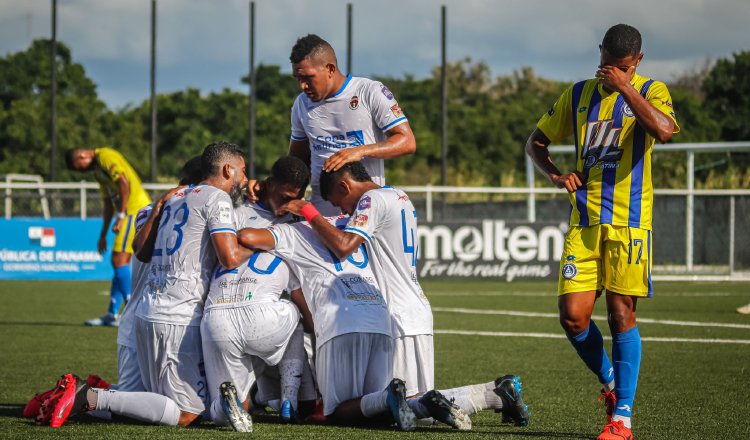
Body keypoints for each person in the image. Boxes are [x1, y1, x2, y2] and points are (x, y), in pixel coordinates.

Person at [281, 161, 529, 427]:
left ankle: (494, 395)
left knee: (402, 409)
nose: (342, 210)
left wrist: (307, 210)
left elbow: (344, 246)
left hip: (396, 314)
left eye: (338, 202)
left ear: (345, 185)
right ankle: (496, 394)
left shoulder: (370, 200)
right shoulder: (399, 195)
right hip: (416, 308)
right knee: (418, 406)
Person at [524, 24, 679, 440]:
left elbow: (664, 131)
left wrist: (626, 89)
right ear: (599, 54)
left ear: (638, 63)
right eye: (608, 65)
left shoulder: (652, 91)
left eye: (623, 67)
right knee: (573, 318)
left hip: (629, 223)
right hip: (585, 221)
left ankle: (622, 420)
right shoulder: (577, 95)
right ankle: (611, 383)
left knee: (620, 314)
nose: (612, 73)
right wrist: (557, 176)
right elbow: (535, 143)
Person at [237, 217, 469, 431]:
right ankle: (421, 404)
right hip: (380, 318)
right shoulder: (347, 223)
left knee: (337, 414)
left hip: (340, 323)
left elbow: (247, 236)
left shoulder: (291, 231)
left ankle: (397, 398)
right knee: (372, 412)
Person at [200, 156, 318, 431]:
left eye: (297, 197)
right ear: (269, 184)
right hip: (264, 314)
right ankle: (283, 400)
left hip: (222, 315)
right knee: (295, 314)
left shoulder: (297, 217)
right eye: (285, 195)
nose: (289, 203)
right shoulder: (240, 211)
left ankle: (261, 397)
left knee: (228, 410)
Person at [285, 33, 416, 215]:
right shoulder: (301, 104)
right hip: (320, 221)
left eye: (308, 78)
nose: (302, 86)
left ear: (330, 68)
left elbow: (407, 142)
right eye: (298, 79)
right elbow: (298, 163)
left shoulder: (369, 91)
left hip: (365, 216)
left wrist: (360, 150)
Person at [65, 147, 152, 327]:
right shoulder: (98, 171)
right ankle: (112, 314)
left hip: (134, 211)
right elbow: (108, 203)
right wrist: (103, 234)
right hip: (126, 212)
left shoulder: (105, 156)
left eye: (79, 167)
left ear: (82, 156)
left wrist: (121, 216)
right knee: (120, 262)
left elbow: (123, 183)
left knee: (119, 260)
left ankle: (132, 312)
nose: (81, 171)